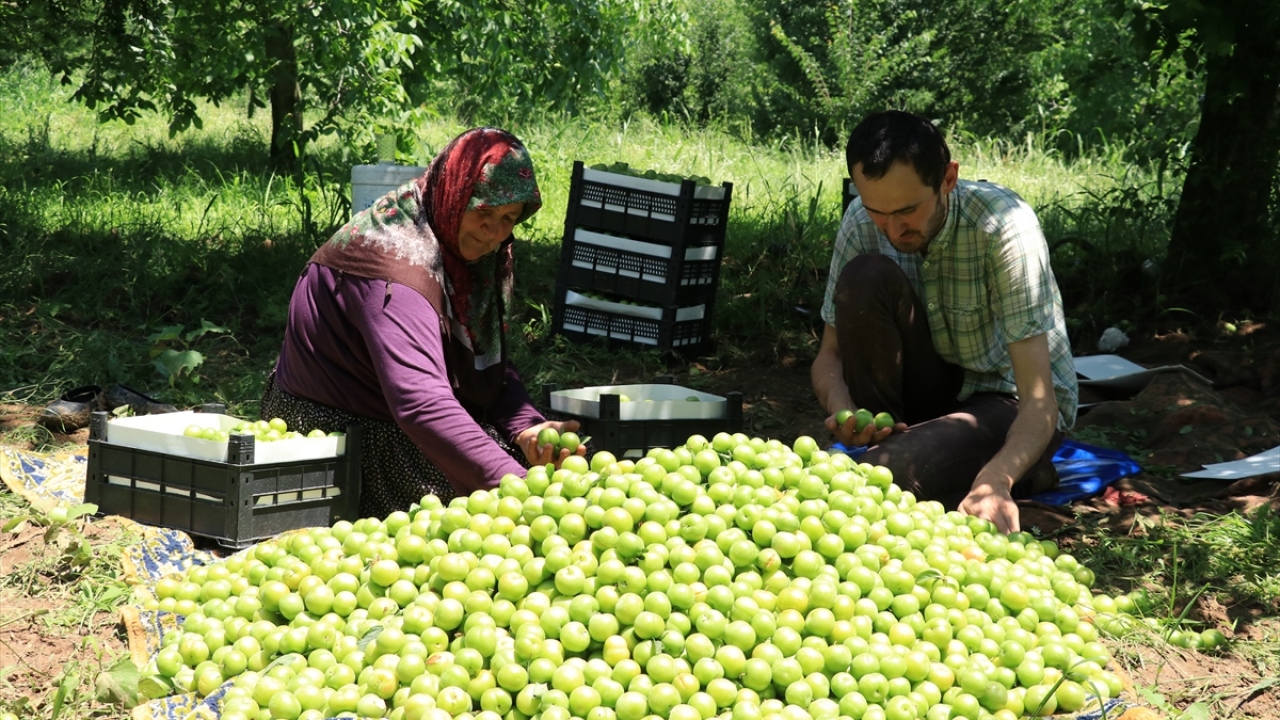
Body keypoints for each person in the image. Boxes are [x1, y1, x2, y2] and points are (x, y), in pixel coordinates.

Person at [263, 127, 581, 519]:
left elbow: (485, 359)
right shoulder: (396, 269)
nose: (495, 233)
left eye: (508, 218)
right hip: (341, 434)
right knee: (472, 502)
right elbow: (420, 404)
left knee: (539, 466)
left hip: (405, 412)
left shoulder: (459, 245)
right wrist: (519, 490)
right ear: (456, 194)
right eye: (484, 212)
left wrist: (526, 428)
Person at [811, 111, 1078, 533]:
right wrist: (843, 408)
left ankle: (1022, 466)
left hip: (1006, 400)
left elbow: (1041, 399)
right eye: (878, 211)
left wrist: (998, 479)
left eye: (908, 211)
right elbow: (828, 358)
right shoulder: (862, 222)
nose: (893, 228)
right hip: (930, 392)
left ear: (948, 179)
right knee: (865, 276)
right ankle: (908, 450)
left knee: (881, 477)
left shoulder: (1004, 225)